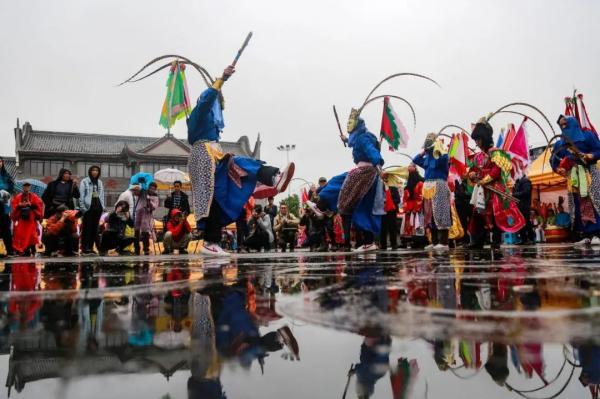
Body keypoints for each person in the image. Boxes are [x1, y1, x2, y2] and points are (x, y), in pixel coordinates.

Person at [186, 64, 294, 256]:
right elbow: (205, 101)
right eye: (216, 103)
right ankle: (210, 242)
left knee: (236, 170)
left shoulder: (210, 126)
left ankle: (274, 177)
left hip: (214, 155)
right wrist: (221, 80)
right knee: (215, 196)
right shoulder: (199, 114)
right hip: (203, 157)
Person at [318, 115, 386, 252]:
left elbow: (371, 151)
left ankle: (324, 204)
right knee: (355, 200)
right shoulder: (363, 136)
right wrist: (346, 139)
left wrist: (379, 167)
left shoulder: (363, 138)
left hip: (364, 172)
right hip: (366, 172)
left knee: (345, 192)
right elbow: (355, 143)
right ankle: (368, 241)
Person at [467, 120, 525, 249]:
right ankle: (477, 240)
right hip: (482, 190)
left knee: (495, 213)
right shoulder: (477, 156)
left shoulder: (496, 152)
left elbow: (496, 171)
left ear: (484, 138)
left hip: (494, 189)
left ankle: (496, 240)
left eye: (478, 139)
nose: (476, 142)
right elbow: (474, 170)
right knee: (478, 213)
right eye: (475, 139)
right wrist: (472, 175)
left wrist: (483, 180)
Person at [551, 115, 600, 247]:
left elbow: (598, 149)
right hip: (573, 176)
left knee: (592, 201)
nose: (564, 127)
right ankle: (585, 234)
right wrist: (557, 168)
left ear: (572, 122)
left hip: (589, 173)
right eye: (561, 125)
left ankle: (597, 233)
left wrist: (591, 155)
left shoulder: (587, 136)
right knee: (577, 204)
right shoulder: (560, 143)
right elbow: (553, 160)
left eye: (565, 124)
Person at [413, 133, 452, 251]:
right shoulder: (427, 158)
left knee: (441, 213)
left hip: (439, 185)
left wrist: (439, 148)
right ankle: (434, 242)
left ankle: (444, 242)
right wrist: (424, 151)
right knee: (429, 215)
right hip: (428, 187)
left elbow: (445, 158)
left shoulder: (442, 156)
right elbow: (415, 160)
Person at [11, 182, 44, 256]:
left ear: (30, 187)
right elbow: (14, 205)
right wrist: (19, 205)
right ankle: (22, 250)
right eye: (25, 187)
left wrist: (31, 204)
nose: (26, 188)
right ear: (23, 187)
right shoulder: (19, 196)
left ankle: (33, 250)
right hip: (22, 219)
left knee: (32, 235)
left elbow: (39, 205)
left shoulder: (34, 196)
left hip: (31, 219)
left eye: (28, 187)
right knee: (20, 235)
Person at [79, 165, 105, 254]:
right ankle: (85, 248)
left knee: (95, 229)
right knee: (87, 229)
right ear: (90, 171)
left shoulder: (99, 182)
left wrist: (103, 207)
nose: (95, 172)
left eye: (97, 170)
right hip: (88, 208)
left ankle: (90, 247)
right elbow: (81, 196)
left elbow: (101, 195)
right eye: (93, 170)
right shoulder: (84, 181)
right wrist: (83, 208)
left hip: (97, 208)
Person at [401, 164, 425, 248]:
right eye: (408, 166)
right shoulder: (408, 182)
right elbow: (405, 197)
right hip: (409, 206)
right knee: (410, 224)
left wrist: (417, 207)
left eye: (411, 166)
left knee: (418, 223)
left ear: (415, 168)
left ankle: (419, 240)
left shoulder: (420, 182)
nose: (409, 167)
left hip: (417, 206)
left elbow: (421, 196)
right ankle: (411, 240)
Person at [133, 182, 159, 255]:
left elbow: (154, 207)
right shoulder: (142, 192)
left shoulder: (155, 196)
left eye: (153, 189)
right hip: (138, 213)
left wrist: (149, 200)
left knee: (145, 232)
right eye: (151, 188)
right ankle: (136, 248)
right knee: (136, 231)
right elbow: (135, 194)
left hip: (147, 215)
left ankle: (146, 249)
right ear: (148, 187)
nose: (152, 190)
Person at [0, 157, 15, 256]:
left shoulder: (6, 175)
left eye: (0, 161)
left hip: (4, 204)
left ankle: (10, 250)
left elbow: (11, 188)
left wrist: (7, 193)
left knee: (6, 229)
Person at [512, 175, 533, 245]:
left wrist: (513, 194)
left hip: (524, 206)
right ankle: (523, 239)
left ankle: (530, 238)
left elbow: (526, 192)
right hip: (518, 206)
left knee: (526, 222)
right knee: (520, 223)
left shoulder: (525, 181)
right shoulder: (516, 182)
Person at [380, 185, 401, 250]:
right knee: (383, 228)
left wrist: (390, 202)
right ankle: (383, 244)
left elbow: (398, 200)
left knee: (392, 227)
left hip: (391, 211)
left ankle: (394, 244)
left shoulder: (393, 188)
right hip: (382, 210)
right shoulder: (380, 188)